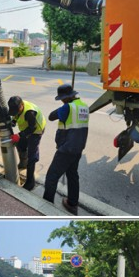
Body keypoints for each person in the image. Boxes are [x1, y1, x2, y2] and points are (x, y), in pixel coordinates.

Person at [42, 84, 90, 214]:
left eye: (62, 98)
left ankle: (46, 206)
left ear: (67, 97)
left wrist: (65, 106)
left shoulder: (67, 108)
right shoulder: (84, 107)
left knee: (52, 176)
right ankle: (72, 203)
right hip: (78, 148)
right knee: (72, 175)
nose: (62, 100)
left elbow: (51, 116)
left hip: (66, 149)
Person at [7, 96, 46, 191]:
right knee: (20, 145)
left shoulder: (29, 113)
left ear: (21, 105)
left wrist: (19, 135)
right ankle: (23, 163)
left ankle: (30, 182)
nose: (15, 112)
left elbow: (32, 128)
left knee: (32, 156)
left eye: (16, 110)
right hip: (26, 130)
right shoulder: (18, 105)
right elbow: (16, 115)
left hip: (36, 131)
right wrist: (13, 121)